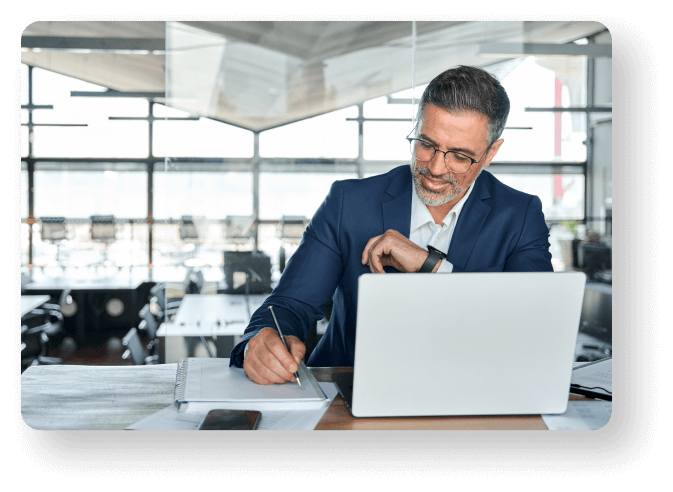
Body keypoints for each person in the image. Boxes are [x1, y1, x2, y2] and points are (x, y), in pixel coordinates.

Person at [229, 65, 553, 385]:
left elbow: (532, 328)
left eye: (459, 155)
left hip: (469, 395)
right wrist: (259, 344)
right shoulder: (349, 203)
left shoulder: (520, 215)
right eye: (426, 144)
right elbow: (289, 305)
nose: (436, 168)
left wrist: (430, 266)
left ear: (492, 151)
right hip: (344, 396)